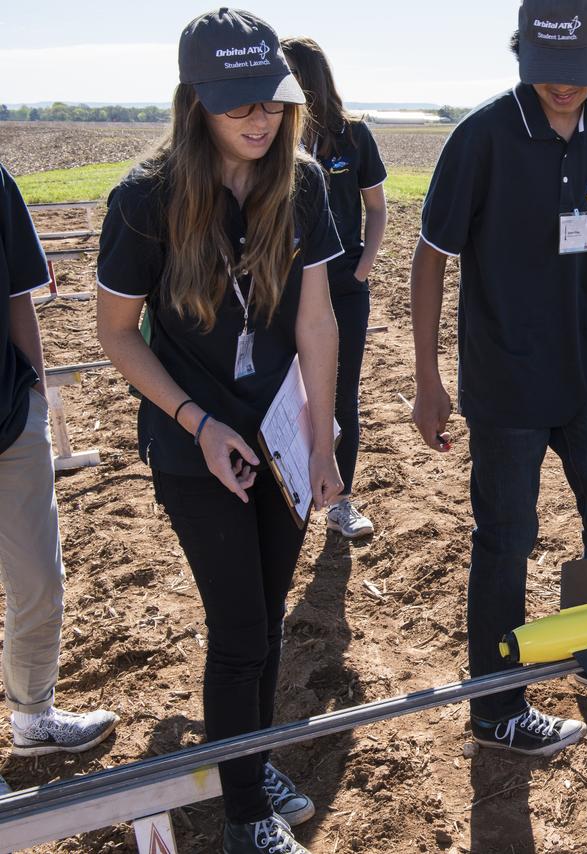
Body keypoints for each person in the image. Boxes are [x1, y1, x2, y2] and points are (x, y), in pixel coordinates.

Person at [96, 9, 343, 853]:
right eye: (238, 103)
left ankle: (249, 758)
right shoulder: (145, 198)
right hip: (193, 442)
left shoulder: (301, 183)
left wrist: (323, 440)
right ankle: (246, 819)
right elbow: (116, 334)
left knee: (267, 623)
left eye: (271, 100)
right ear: (194, 100)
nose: (259, 119)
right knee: (238, 629)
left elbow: (316, 319)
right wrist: (196, 421)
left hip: (280, 436)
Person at [409, 0, 587, 758]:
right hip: (502, 379)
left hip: (581, 370)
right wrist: (428, 379)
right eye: (547, 70)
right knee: (506, 539)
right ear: (521, 54)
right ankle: (496, 709)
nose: (562, 86)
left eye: (578, 71)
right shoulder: (483, 137)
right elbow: (430, 257)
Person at [0, 162, 118, 795]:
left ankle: (33, 717)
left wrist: (37, 400)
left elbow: (20, 294)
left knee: (40, 582)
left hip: (10, 418)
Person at [281, 36, 388, 540]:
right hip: (282, 290)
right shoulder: (273, 137)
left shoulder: (354, 136)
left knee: (341, 393)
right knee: (280, 393)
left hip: (343, 287)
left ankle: (341, 502)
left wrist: (361, 269)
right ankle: (286, 497)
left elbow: (377, 208)